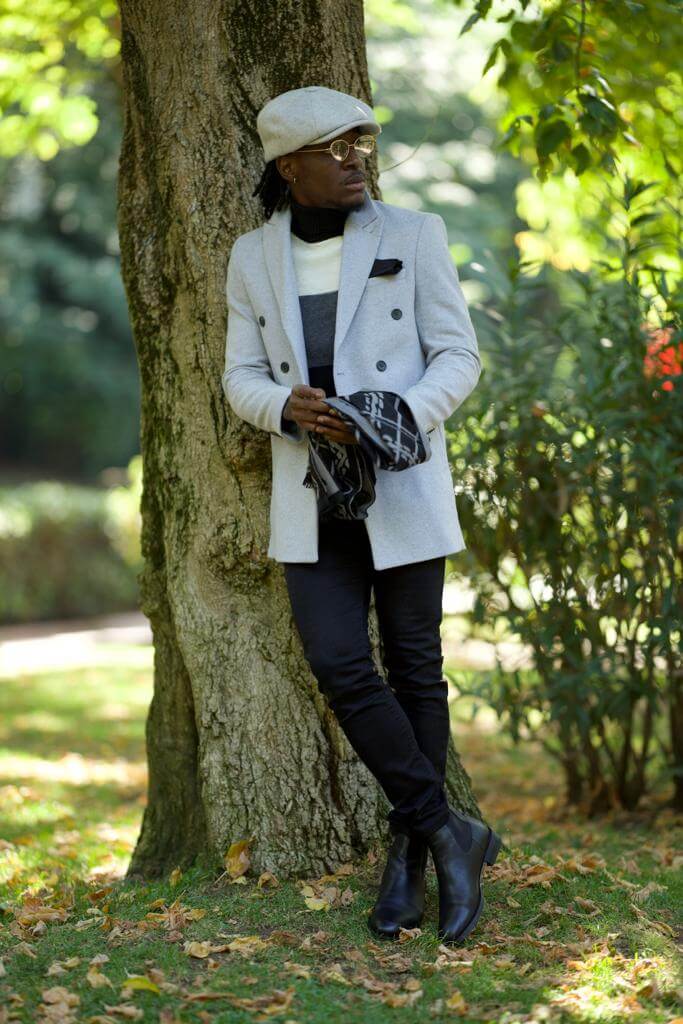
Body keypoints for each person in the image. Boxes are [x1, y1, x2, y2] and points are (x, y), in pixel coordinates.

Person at [223, 85, 501, 944]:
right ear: (289, 166)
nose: (356, 163)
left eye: (362, 147)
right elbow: (239, 375)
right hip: (311, 493)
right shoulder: (250, 256)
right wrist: (282, 407)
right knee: (339, 663)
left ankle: (408, 859)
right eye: (336, 150)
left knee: (415, 669)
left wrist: (395, 415)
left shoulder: (413, 234)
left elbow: (457, 354)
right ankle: (447, 829)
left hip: (402, 483)